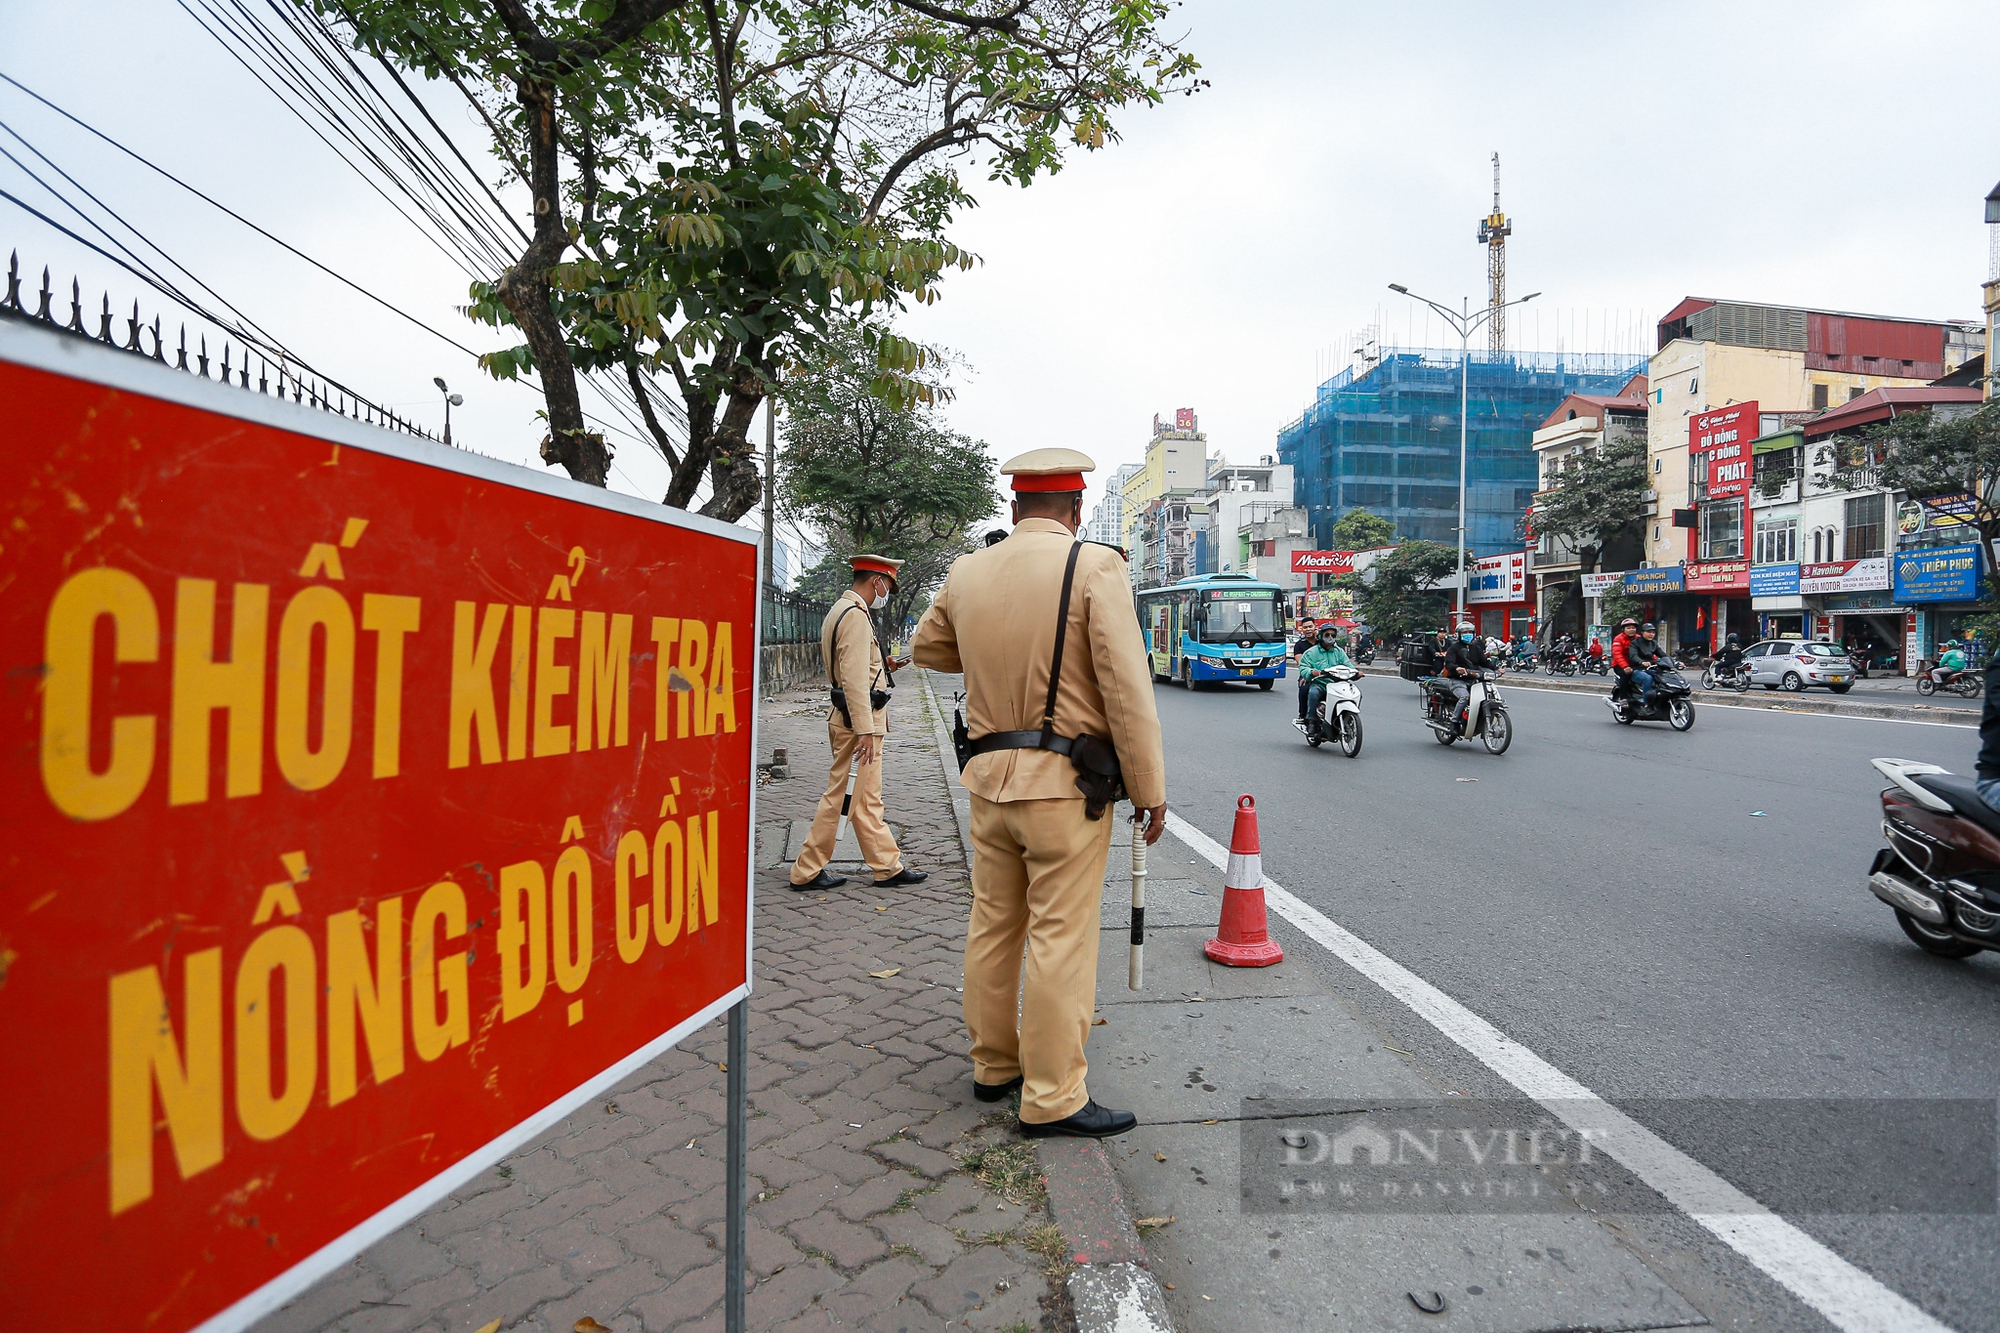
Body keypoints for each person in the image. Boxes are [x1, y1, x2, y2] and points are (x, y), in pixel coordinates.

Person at [912, 447, 1167, 1139]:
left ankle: (995, 1064)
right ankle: (1053, 1095)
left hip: (990, 786)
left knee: (995, 923)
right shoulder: (1094, 565)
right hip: (1066, 790)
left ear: (1014, 508)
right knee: (1061, 937)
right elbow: (1125, 686)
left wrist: (993, 645)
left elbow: (926, 649)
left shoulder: (968, 571)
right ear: (1077, 510)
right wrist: (1149, 788)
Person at [789, 555, 929, 892]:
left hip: (852, 717)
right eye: (887, 587)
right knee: (842, 797)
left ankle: (887, 866)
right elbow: (852, 678)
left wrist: (884, 665)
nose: (886, 594)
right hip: (858, 723)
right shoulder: (854, 616)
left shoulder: (843, 610)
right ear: (876, 581)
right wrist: (865, 729)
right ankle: (806, 870)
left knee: (865, 799)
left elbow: (853, 667)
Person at [1295, 624, 1351, 731]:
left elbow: (1348, 665)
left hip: (1337, 684)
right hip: (1320, 684)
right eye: (1327, 634)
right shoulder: (1311, 652)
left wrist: (1356, 673)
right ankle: (1312, 720)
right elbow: (1303, 666)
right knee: (1313, 693)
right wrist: (1312, 672)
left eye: (1333, 635)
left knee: (1355, 693)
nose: (1330, 637)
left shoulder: (1339, 652)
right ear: (1320, 636)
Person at [1440, 618, 1492, 722]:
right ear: (1458, 634)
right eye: (1464, 632)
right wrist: (1457, 668)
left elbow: (1484, 662)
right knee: (1465, 697)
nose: (1468, 634)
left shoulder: (1476, 648)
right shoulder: (1453, 648)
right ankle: (1454, 722)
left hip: (1474, 679)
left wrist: (1497, 669)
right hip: (1458, 681)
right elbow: (1449, 664)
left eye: (1470, 632)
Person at [1628, 621, 1668, 698]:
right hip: (1637, 669)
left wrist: (1675, 662)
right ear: (1642, 632)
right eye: (1648, 632)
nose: (1651, 634)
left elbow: (1663, 655)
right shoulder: (1635, 643)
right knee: (1647, 679)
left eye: (1653, 632)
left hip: (1650, 668)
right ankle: (1647, 703)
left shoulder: (1653, 643)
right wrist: (1641, 662)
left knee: (1663, 677)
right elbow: (1633, 656)